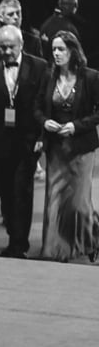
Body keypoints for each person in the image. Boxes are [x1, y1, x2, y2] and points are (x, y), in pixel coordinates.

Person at [0, 25, 48, 258]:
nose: (7, 51)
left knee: (22, 191)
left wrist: (41, 136)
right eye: (2, 47)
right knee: (6, 192)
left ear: (21, 45)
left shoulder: (39, 67)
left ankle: (19, 244)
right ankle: (13, 233)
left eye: (11, 47)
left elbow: (45, 105)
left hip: (27, 141)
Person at [34, 31, 99, 263]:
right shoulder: (49, 76)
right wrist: (44, 122)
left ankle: (90, 239)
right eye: (53, 49)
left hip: (82, 148)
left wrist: (75, 126)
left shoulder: (90, 77)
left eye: (61, 49)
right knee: (55, 200)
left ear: (72, 51)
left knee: (79, 203)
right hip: (56, 148)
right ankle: (54, 250)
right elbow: (37, 106)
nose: (56, 54)